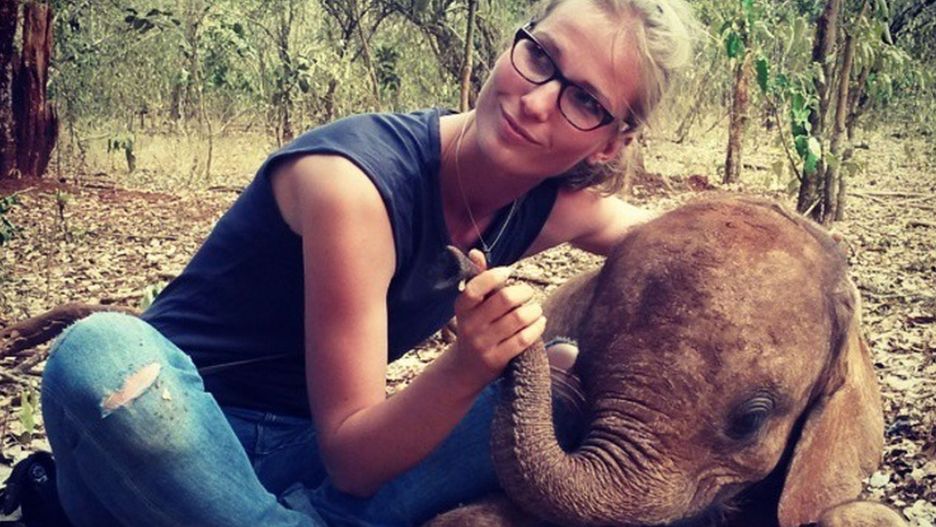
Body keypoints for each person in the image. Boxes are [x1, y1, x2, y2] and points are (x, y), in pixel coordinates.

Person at [39, 0, 697, 525]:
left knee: (561, 378)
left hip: (306, 457)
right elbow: (353, 461)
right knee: (98, 350)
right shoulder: (355, 184)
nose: (536, 99)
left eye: (584, 101)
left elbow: (696, 249)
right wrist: (467, 364)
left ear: (613, 142)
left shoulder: (554, 206)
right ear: (512, 45)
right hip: (169, 440)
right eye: (541, 56)